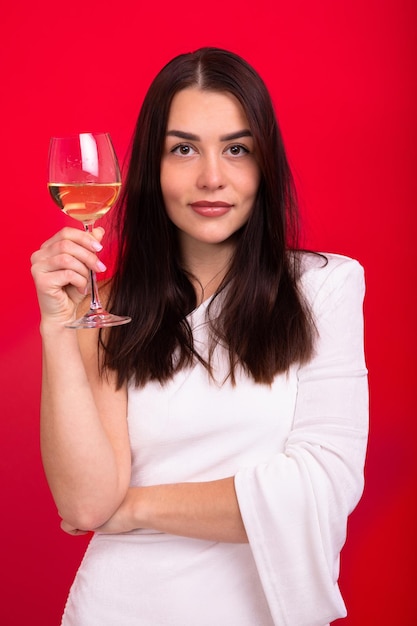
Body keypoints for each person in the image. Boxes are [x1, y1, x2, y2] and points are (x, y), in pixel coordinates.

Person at [30, 47, 368, 626]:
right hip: (119, 607)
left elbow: (320, 486)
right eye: (183, 149)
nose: (212, 177)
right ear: (150, 169)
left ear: (265, 166)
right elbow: (86, 503)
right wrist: (59, 327)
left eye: (237, 149)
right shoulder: (108, 308)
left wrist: (133, 507)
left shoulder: (324, 287)